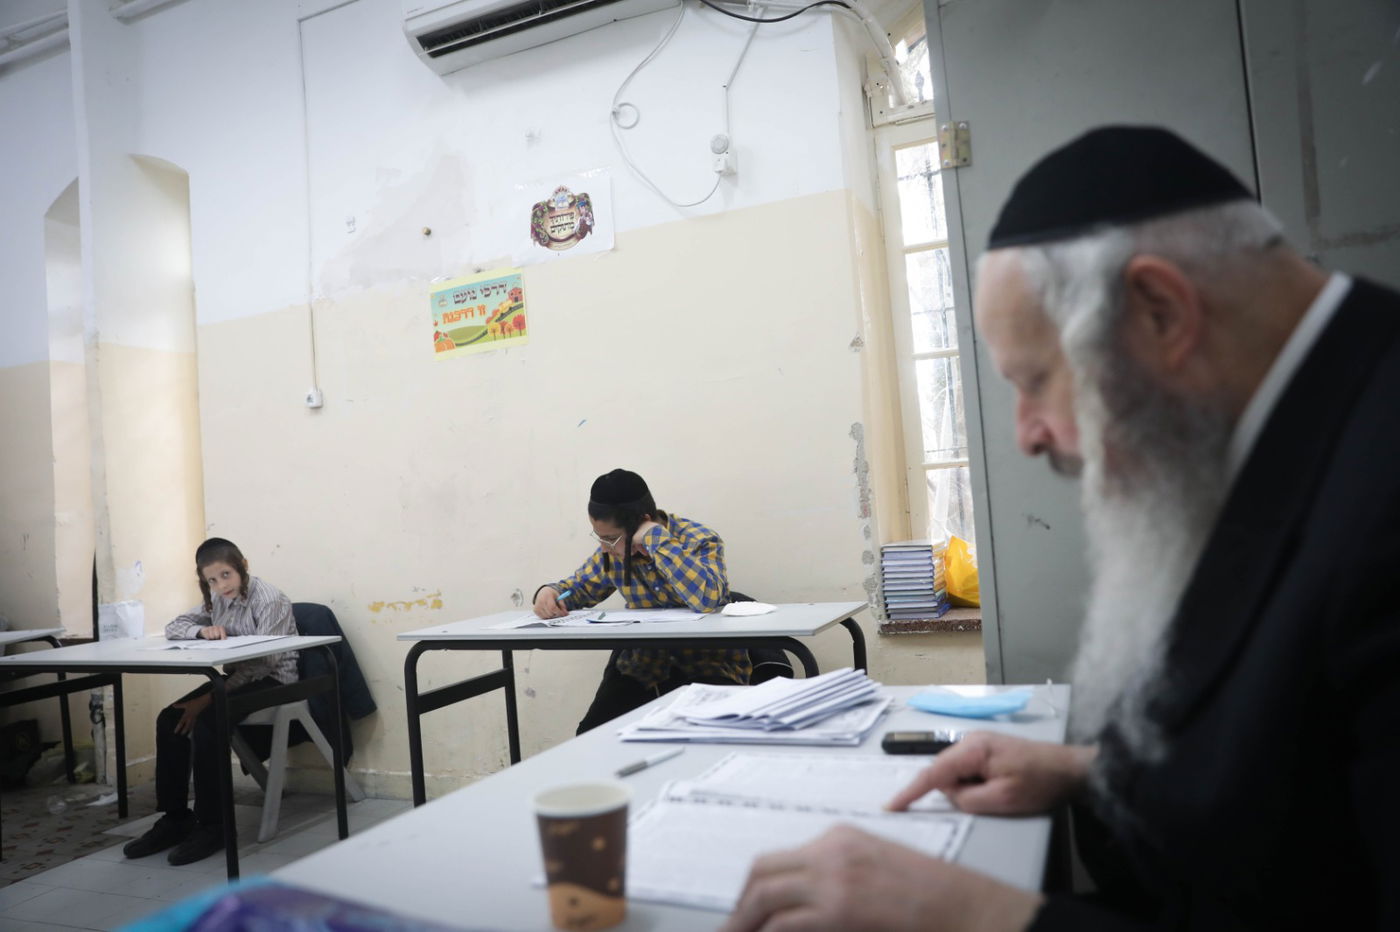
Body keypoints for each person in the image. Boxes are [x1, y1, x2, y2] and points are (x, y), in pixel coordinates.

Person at [723, 125, 1400, 930]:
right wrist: (1087, 769)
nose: (1027, 434)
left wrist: (973, 914)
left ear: (1159, 312)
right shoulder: (1280, 427)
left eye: (1035, 380)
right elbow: (1298, 769)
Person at [122, 537, 298, 865]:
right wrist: (201, 633)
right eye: (212, 580)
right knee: (169, 718)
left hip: (275, 680)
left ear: (243, 566)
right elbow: (175, 626)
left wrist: (207, 699)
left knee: (206, 721)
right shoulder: (217, 600)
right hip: (233, 681)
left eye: (226, 575)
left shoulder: (269, 599)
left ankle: (215, 825)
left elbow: (265, 663)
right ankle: (176, 818)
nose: (220, 585)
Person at [534, 468, 749, 733]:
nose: (604, 547)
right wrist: (550, 592)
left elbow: (707, 598)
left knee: (705, 739)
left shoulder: (700, 540)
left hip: (707, 664)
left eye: (611, 538)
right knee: (592, 735)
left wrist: (656, 539)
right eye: (599, 537)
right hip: (644, 667)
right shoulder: (612, 552)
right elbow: (578, 589)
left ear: (643, 521)